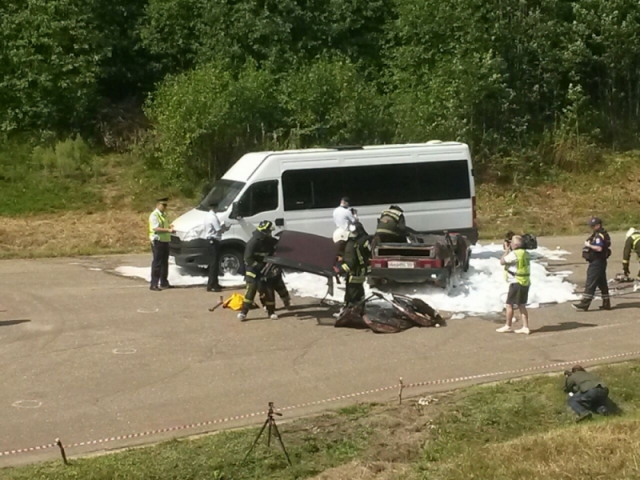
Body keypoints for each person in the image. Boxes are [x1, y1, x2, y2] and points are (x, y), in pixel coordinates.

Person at [238, 220, 278, 321]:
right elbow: (248, 258)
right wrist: (259, 266)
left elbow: (277, 248)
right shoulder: (253, 243)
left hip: (265, 269)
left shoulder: (269, 241)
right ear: (264, 232)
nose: (270, 233)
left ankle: (271, 311)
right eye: (269, 231)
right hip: (253, 269)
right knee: (252, 288)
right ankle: (243, 312)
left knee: (268, 289)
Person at [573, 217, 612, 311]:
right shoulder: (601, 234)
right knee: (602, 282)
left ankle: (585, 303)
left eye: (593, 226)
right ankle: (606, 302)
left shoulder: (599, 235)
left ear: (598, 225)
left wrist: (588, 245)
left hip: (597, 261)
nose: (591, 227)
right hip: (601, 261)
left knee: (591, 282)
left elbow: (599, 248)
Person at [497, 235, 531, 334]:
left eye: (511, 242)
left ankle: (508, 326)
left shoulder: (514, 254)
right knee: (521, 305)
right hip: (525, 281)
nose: (510, 244)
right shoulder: (525, 253)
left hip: (516, 282)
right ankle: (525, 326)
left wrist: (506, 250)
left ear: (515, 245)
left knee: (509, 305)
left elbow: (502, 261)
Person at [337, 222, 372, 315]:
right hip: (361, 271)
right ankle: (361, 310)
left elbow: (350, 263)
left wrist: (339, 270)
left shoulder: (349, 246)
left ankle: (351, 312)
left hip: (355, 273)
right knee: (359, 291)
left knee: (351, 293)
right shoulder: (359, 241)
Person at [148, 197, 175, 291]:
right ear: (157, 205)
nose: (165, 207)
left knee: (164, 262)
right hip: (157, 240)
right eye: (163, 205)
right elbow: (155, 228)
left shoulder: (164, 215)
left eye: (166, 205)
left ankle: (164, 282)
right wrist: (168, 230)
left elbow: (164, 225)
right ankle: (154, 284)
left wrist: (169, 226)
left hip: (165, 241)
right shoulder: (154, 215)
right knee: (157, 263)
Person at [204, 203, 226, 292]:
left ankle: (214, 283)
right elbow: (218, 229)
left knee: (214, 263)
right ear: (214, 207)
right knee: (214, 264)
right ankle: (211, 285)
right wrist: (225, 228)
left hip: (211, 240)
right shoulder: (212, 217)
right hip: (213, 241)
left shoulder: (208, 216)